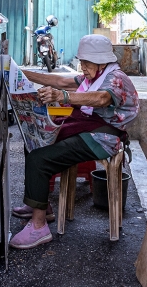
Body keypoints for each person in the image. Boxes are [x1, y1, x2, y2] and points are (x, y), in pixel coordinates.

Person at [8, 34, 139, 250]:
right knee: (33, 140)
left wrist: (63, 97)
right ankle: (41, 205)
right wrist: (17, 74)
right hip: (87, 127)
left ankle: (39, 227)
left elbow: (100, 99)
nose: (83, 67)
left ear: (101, 61)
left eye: (86, 63)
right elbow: (60, 81)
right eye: (82, 62)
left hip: (103, 137)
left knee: (39, 159)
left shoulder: (115, 78)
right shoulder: (93, 76)